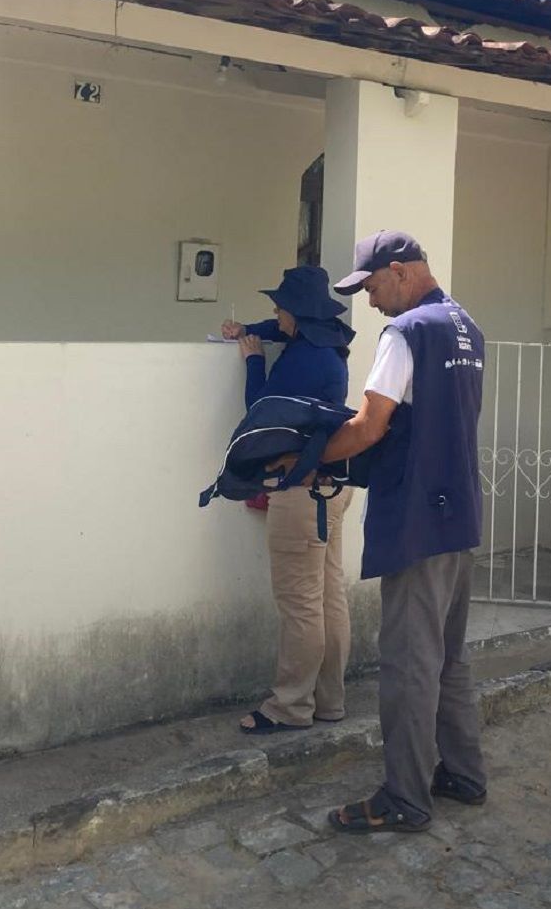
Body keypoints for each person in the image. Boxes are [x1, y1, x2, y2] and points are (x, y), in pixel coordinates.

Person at [319, 230, 488, 833]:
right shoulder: (467, 327)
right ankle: (463, 774)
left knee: (410, 665)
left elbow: (369, 426)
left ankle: (405, 798)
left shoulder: (407, 332)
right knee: (449, 659)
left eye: (369, 286)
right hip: (459, 512)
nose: (368, 301)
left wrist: (314, 459)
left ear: (398, 271)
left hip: (418, 519)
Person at [220, 265, 355, 734]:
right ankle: (328, 701)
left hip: (300, 491)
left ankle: (290, 707)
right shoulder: (328, 344)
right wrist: (248, 330)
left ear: (296, 315)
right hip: (334, 486)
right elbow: (278, 328)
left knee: (300, 603)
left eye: (279, 308)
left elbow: (262, 413)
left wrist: (252, 359)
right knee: (329, 597)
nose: (274, 313)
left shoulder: (299, 361)